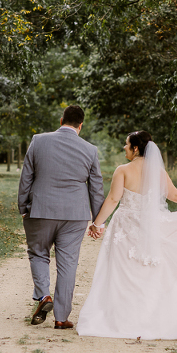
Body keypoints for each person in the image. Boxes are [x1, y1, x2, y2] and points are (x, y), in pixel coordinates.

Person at [77, 131, 177, 339]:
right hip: (150, 227)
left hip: (125, 228)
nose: (124, 148)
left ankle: (123, 319)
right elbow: (175, 195)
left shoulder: (123, 170)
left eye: (126, 145)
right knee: (147, 273)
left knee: (123, 275)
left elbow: (112, 199)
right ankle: (149, 318)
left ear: (135, 148)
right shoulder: (158, 173)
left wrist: (97, 223)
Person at [18, 105, 105, 329]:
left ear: (61, 120)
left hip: (41, 210)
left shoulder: (38, 141)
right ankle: (61, 318)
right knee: (68, 264)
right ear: (81, 125)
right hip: (75, 215)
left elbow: (26, 176)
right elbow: (96, 189)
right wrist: (97, 221)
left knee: (38, 253)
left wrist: (23, 207)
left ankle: (44, 296)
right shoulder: (90, 150)